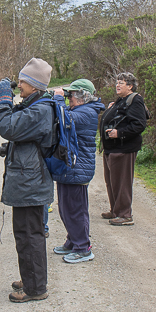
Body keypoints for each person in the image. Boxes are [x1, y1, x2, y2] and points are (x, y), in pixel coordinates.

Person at [0, 57, 54, 303]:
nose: (18, 85)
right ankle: (31, 278)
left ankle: (35, 288)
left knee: (29, 235)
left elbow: (8, 127)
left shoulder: (41, 109)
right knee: (27, 234)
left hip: (31, 182)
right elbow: (20, 133)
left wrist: (4, 100)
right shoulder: (36, 104)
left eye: (22, 82)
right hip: (30, 179)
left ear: (35, 85)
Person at [51, 79, 105, 262]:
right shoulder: (79, 109)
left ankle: (83, 247)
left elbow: (65, 120)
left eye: (71, 95)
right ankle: (72, 241)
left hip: (78, 168)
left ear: (83, 97)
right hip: (70, 167)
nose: (69, 99)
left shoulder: (88, 112)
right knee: (66, 209)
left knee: (76, 210)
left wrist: (58, 100)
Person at [99, 72, 148, 226]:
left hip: (123, 149)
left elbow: (139, 124)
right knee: (112, 182)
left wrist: (119, 133)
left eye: (122, 82)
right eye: (117, 82)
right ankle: (115, 210)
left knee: (122, 183)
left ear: (130, 86)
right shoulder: (121, 101)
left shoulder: (135, 100)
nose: (117, 85)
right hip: (111, 149)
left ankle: (125, 215)